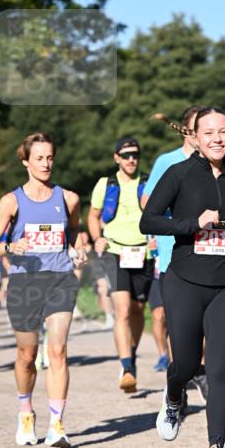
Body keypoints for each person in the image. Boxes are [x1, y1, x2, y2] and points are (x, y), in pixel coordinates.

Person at [140, 107, 225, 448]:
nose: (216, 138)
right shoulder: (178, 173)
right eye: (208, 132)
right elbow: (149, 220)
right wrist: (193, 224)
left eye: (223, 131)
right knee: (186, 363)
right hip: (184, 281)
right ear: (194, 136)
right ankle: (174, 395)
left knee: (220, 368)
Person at [0, 132, 87, 448]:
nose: (46, 164)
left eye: (50, 157)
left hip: (59, 279)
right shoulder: (10, 201)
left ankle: (57, 424)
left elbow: (74, 235)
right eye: (39, 158)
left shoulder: (68, 199)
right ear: (26, 161)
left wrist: (78, 250)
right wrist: (9, 245)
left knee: (57, 351)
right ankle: (26, 413)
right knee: (27, 356)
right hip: (24, 283)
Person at [141, 108, 207, 400]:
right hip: (173, 255)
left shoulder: (217, 164)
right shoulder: (167, 162)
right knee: (178, 324)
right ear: (185, 131)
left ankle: (203, 372)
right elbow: (148, 204)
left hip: (211, 255)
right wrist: (182, 218)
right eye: (197, 130)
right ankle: (177, 381)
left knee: (208, 322)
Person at [88, 136, 153, 393]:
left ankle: (132, 354)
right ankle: (126, 367)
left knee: (138, 310)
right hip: (114, 251)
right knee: (123, 310)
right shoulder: (105, 184)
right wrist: (97, 238)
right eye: (125, 155)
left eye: (135, 154)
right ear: (116, 157)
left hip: (143, 253)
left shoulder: (149, 182)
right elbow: (93, 216)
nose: (131, 159)